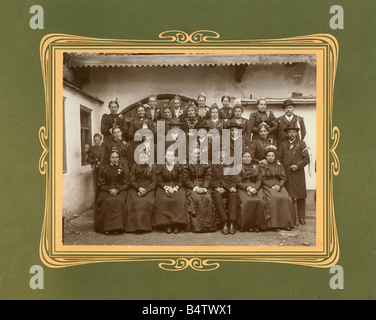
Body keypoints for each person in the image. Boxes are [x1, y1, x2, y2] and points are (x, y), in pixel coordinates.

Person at [278, 124, 310, 225]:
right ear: (287, 134)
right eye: (289, 132)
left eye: (293, 132)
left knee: (300, 196)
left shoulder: (302, 144)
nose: (291, 134)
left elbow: (306, 159)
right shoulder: (283, 144)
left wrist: (297, 165)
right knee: (290, 196)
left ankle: (301, 218)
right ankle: (291, 218)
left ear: (296, 133)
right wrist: (282, 170)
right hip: (287, 174)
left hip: (298, 174)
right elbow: (279, 159)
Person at [95, 150, 130, 235]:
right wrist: (109, 189)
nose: (115, 159)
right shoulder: (104, 168)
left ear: (119, 158)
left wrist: (117, 189)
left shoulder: (123, 167)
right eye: (112, 157)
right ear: (109, 158)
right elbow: (100, 184)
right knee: (107, 201)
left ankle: (118, 227)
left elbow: (126, 183)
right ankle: (107, 227)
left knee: (119, 200)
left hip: (120, 189)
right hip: (106, 189)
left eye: (116, 157)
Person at [260, 148, 295, 230]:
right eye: (268, 156)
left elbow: (283, 177)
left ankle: (286, 223)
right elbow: (262, 179)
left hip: (279, 185)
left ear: (275, 156)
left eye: (272, 155)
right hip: (267, 185)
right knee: (273, 199)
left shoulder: (279, 164)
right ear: (265, 157)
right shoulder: (262, 165)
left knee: (287, 198)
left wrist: (279, 185)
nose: (270, 157)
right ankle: (274, 224)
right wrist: (272, 186)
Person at [183, 148, 217, 233]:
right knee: (195, 198)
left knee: (207, 197)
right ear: (191, 154)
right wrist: (195, 188)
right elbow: (186, 179)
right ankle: (197, 226)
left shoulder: (206, 163)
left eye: (198, 153)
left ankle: (208, 225)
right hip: (192, 186)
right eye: (195, 153)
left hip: (204, 186)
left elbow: (208, 177)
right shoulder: (187, 164)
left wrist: (205, 187)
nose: (197, 155)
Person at [154, 150, 187, 234]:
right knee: (162, 198)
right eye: (168, 155)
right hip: (164, 186)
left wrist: (175, 187)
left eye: (172, 156)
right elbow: (159, 180)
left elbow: (181, 180)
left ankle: (177, 224)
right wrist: (166, 188)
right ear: (165, 156)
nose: (170, 157)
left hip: (177, 186)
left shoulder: (178, 166)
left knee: (179, 198)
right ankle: (167, 224)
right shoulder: (161, 166)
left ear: (175, 157)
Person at [125, 151, 157, 233]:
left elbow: (154, 182)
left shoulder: (152, 166)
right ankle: (133, 227)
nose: (143, 159)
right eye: (141, 157)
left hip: (148, 188)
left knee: (147, 201)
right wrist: (138, 188)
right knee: (133, 200)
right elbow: (132, 181)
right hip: (136, 187)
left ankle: (146, 226)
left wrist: (146, 190)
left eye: (145, 157)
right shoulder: (135, 166)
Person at [237, 150, 265, 232]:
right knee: (248, 201)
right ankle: (247, 225)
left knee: (259, 201)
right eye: (245, 156)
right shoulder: (238, 167)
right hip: (243, 188)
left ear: (251, 158)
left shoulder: (256, 166)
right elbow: (238, 181)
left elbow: (259, 179)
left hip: (255, 188)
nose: (247, 158)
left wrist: (255, 188)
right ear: (242, 158)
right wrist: (247, 188)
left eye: (249, 156)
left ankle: (257, 225)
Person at [211, 151, 238, 235]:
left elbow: (234, 178)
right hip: (219, 188)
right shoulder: (213, 166)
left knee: (234, 195)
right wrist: (217, 187)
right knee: (217, 196)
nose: (221, 156)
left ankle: (232, 222)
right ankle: (224, 222)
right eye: (219, 155)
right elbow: (211, 179)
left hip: (229, 188)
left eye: (223, 154)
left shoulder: (230, 165)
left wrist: (233, 186)